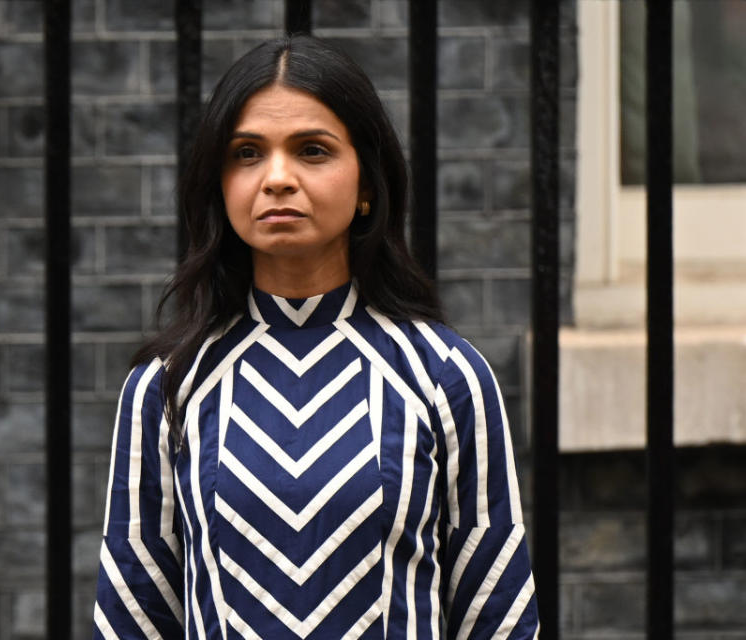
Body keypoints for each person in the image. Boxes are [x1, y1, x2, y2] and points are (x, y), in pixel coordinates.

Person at [93, 36, 539, 639]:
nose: (277, 178)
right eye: (247, 153)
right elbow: (133, 617)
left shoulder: (444, 376)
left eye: (312, 150)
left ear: (366, 186)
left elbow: (499, 615)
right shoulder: (167, 387)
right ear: (219, 184)